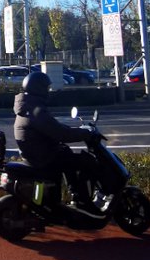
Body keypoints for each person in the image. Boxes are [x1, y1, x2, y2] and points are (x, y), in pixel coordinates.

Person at [13, 70, 103, 214]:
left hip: (38, 154)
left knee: (68, 157)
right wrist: (85, 133)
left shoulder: (27, 107)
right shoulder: (36, 110)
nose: (48, 91)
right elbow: (61, 133)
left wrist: (73, 130)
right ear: (39, 89)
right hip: (44, 157)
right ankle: (82, 201)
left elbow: (53, 127)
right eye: (46, 88)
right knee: (85, 162)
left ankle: (76, 198)